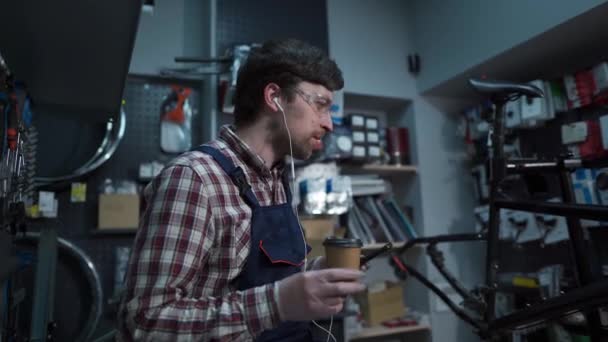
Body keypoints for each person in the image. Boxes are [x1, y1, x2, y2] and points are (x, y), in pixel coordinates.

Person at [117, 38, 366, 341]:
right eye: (321, 105)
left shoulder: (277, 180)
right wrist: (278, 303)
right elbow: (146, 322)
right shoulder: (195, 178)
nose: (329, 124)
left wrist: (316, 275)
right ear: (274, 97)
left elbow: (267, 281)